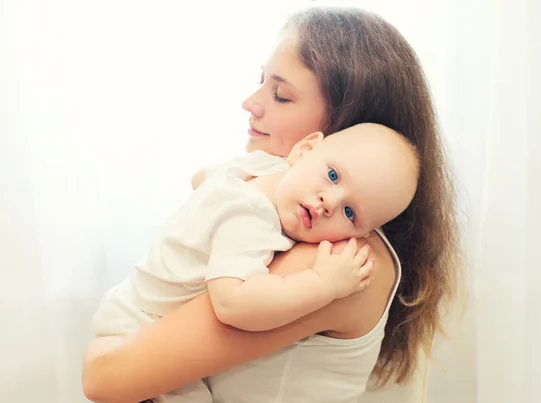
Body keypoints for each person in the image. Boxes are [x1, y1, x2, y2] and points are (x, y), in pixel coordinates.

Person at [82, 7, 461, 403]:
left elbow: (106, 376)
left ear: (341, 125)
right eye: (262, 81)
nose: (251, 103)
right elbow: (204, 181)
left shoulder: (338, 261)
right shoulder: (289, 206)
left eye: (281, 95)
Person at [91, 123, 419, 402]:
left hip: (132, 315)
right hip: (140, 323)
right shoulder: (251, 218)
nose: (328, 202)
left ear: (365, 233)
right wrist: (322, 284)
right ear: (305, 149)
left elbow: (200, 178)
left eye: (350, 213)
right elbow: (234, 304)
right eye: (332, 175)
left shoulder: (261, 169)